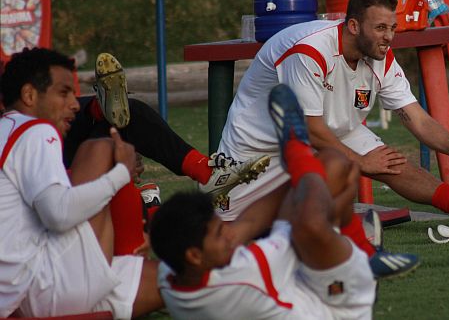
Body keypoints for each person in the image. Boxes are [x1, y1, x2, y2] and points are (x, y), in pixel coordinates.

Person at [216, 0, 449, 277]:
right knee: (230, 235)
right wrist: (360, 161)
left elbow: (416, 118)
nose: (389, 37)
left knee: (390, 163)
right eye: (381, 27)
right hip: (258, 148)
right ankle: (341, 241)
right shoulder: (310, 50)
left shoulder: (382, 57)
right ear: (354, 25)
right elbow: (309, 128)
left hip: (329, 129)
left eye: (393, 27)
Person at [150, 84, 377, 319]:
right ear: (194, 256)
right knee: (331, 178)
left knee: (321, 177)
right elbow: (309, 223)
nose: (229, 233)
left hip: (292, 288)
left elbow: (249, 222)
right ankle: (365, 252)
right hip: (340, 303)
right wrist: (297, 153)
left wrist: (299, 175)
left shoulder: (171, 273)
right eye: (219, 233)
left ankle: (359, 242)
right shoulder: (242, 276)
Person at [0, 48, 163, 318]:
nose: (75, 104)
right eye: (64, 93)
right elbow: (57, 214)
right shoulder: (35, 130)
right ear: (29, 95)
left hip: (18, 292)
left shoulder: (7, 127)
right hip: (38, 291)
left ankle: (133, 254)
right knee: (100, 150)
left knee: (170, 279)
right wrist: (122, 172)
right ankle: (135, 248)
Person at [66, 52, 270, 208]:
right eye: (61, 93)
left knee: (129, 113)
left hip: (80, 161)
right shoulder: (38, 139)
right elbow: (59, 206)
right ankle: (199, 179)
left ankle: (99, 110)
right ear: (31, 96)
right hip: (75, 181)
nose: (71, 103)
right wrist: (117, 169)